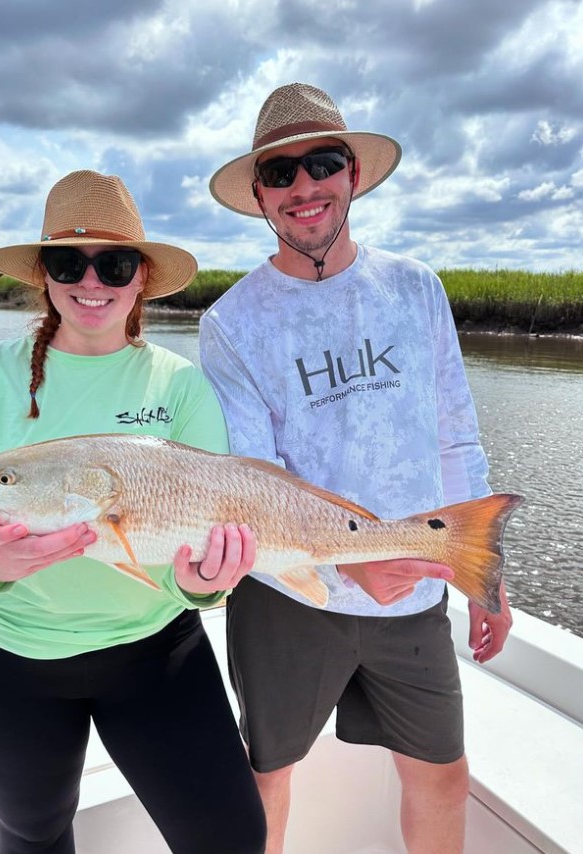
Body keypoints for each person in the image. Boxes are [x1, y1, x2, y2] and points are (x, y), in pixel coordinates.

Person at [0, 170, 266, 854]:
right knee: (34, 836)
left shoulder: (182, 386)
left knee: (233, 838)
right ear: (43, 275)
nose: (92, 282)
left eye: (115, 263)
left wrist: (206, 582)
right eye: (69, 262)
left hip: (155, 655)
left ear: (143, 277)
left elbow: (200, 553)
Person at [199, 83, 513, 854]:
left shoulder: (417, 288)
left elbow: (456, 436)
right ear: (258, 195)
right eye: (281, 173)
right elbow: (255, 485)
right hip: (287, 598)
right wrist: (352, 567)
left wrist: (486, 576)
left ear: (354, 176)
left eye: (324, 162)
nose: (304, 186)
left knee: (442, 773)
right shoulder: (230, 323)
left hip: (413, 592)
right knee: (266, 777)